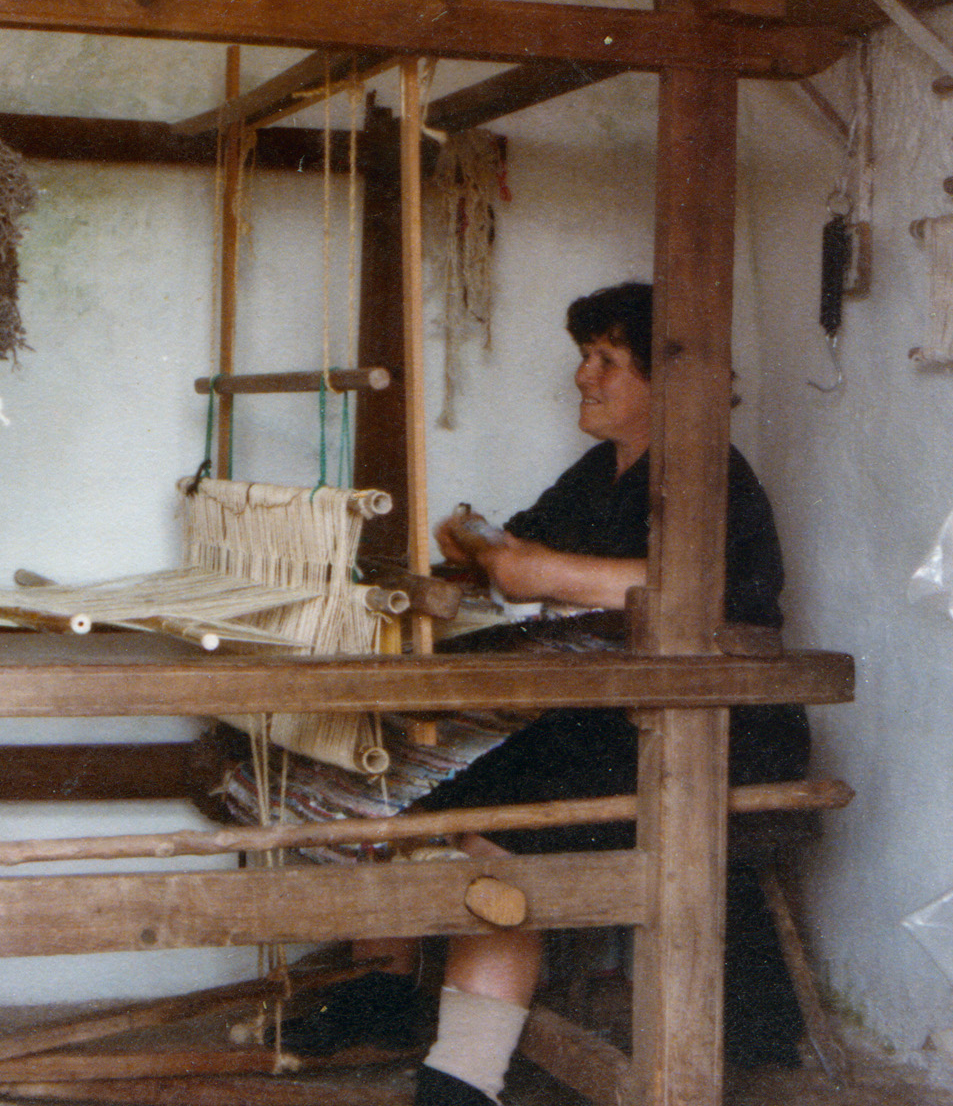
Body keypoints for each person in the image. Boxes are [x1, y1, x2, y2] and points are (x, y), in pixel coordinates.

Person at [252, 282, 809, 1106]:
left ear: (669, 379)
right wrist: (477, 545)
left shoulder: (710, 473)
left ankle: (463, 1076)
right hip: (608, 717)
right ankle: (382, 986)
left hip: (710, 730)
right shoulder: (600, 471)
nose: (584, 376)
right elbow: (521, 543)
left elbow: (702, 588)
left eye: (607, 361)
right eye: (586, 356)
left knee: (496, 815)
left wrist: (540, 569)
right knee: (411, 773)